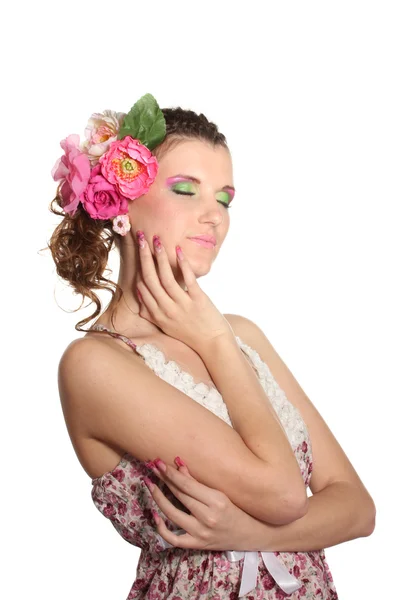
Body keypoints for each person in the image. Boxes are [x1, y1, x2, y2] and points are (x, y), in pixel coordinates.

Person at [46, 93, 375, 599]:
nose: (214, 217)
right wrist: (217, 342)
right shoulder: (96, 364)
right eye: (185, 190)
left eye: (223, 199)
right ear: (122, 205)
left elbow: (357, 508)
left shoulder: (239, 335)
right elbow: (285, 494)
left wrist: (254, 535)